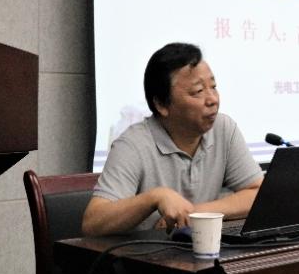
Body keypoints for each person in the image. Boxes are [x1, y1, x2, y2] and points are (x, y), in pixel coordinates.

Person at [82, 43, 263, 236]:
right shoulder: (133, 144)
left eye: (213, 87)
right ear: (161, 104)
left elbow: (258, 193)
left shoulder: (223, 128)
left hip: (198, 250)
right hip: (146, 252)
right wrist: (154, 197)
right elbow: (92, 223)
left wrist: (196, 213)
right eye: (198, 91)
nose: (213, 99)